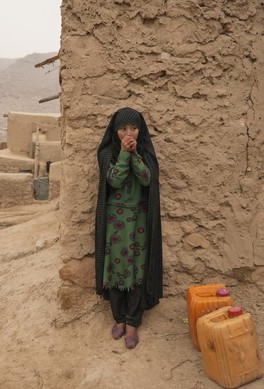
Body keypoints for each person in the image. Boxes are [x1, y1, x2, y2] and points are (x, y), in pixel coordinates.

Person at [95, 107, 163, 349]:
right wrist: (124, 155)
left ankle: (133, 324)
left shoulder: (145, 152)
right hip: (115, 222)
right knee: (114, 271)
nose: (128, 133)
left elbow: (147, 179)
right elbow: (114, 180)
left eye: (133, 128)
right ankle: (119, 319)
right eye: (123, 129)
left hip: (138, 222)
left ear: (140, 129)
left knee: (135, 271)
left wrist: (134, 155)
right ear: (115, 132)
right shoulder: (107, 154)